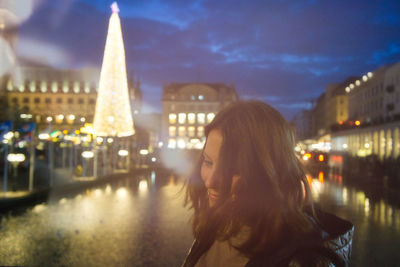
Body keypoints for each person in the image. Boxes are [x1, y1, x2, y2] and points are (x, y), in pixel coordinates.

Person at [182, 100, 354, 267]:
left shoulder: (304, 260)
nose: (210, 181)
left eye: (233, 170)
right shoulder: (216, 225)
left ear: (269, 172)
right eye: (208, 162)